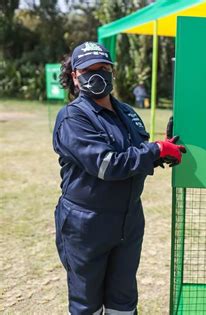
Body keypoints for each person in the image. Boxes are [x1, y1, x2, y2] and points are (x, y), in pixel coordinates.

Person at [54, 41, 186, 315]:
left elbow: (136, 154)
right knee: (86, 304)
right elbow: (106, 165)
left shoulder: (127, 112)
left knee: (123, 302)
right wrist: (155, 151)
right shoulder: (72, 118)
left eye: (104, 68)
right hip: (86, 224)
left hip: (128, 220)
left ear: (113, 72)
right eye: (89, 70)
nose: (98, 74)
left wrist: (163, 151)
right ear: (75, 77)